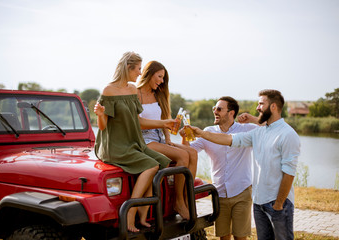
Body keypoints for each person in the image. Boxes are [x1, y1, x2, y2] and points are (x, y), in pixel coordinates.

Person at [187, 89, 300, 240]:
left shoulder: (287, 134)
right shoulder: (258, 133)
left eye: (261, 104)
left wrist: (279, 203)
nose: (257, 107)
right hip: (259, 202)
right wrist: (201, 133)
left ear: (273, 106)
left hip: (276, 203)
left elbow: (289, 172)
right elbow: (230, 140)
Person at [94, 52, 175, 232]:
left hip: (133, 142)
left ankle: (143, 215)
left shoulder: (132, 89)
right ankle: (130, 213)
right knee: (151, 166)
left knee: (163, 162)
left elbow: (138, 121)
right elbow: (102, 126)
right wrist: (100, 115)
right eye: (138, 69)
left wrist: (164, 123)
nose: (140, 73)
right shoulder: (108, 91)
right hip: (114, 145)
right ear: (128, 68)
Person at [180, 96, 257, 240]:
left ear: (231, 113)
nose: (215, 111)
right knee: (223, 237)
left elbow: (270, 128)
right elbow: (188, 152)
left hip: (241, 191)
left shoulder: (246, 130)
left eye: (219, 109)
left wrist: (252, 118)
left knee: (240, 236)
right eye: (214, 108)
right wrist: (184, 138)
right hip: (219, 193)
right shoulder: (208, 131)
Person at [136, 60, 197, 220]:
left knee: (192, 152)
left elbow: (164, 119)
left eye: (163, 78)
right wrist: (164, 128)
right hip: (144, 140)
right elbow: (137, 124)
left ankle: (185, 199)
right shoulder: (135, 94)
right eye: (160, 77)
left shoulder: (158, 94)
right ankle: (178, 202)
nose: (162, 81)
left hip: (159, 138)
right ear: (148, 74)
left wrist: (168, 138)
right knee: (183, 156)